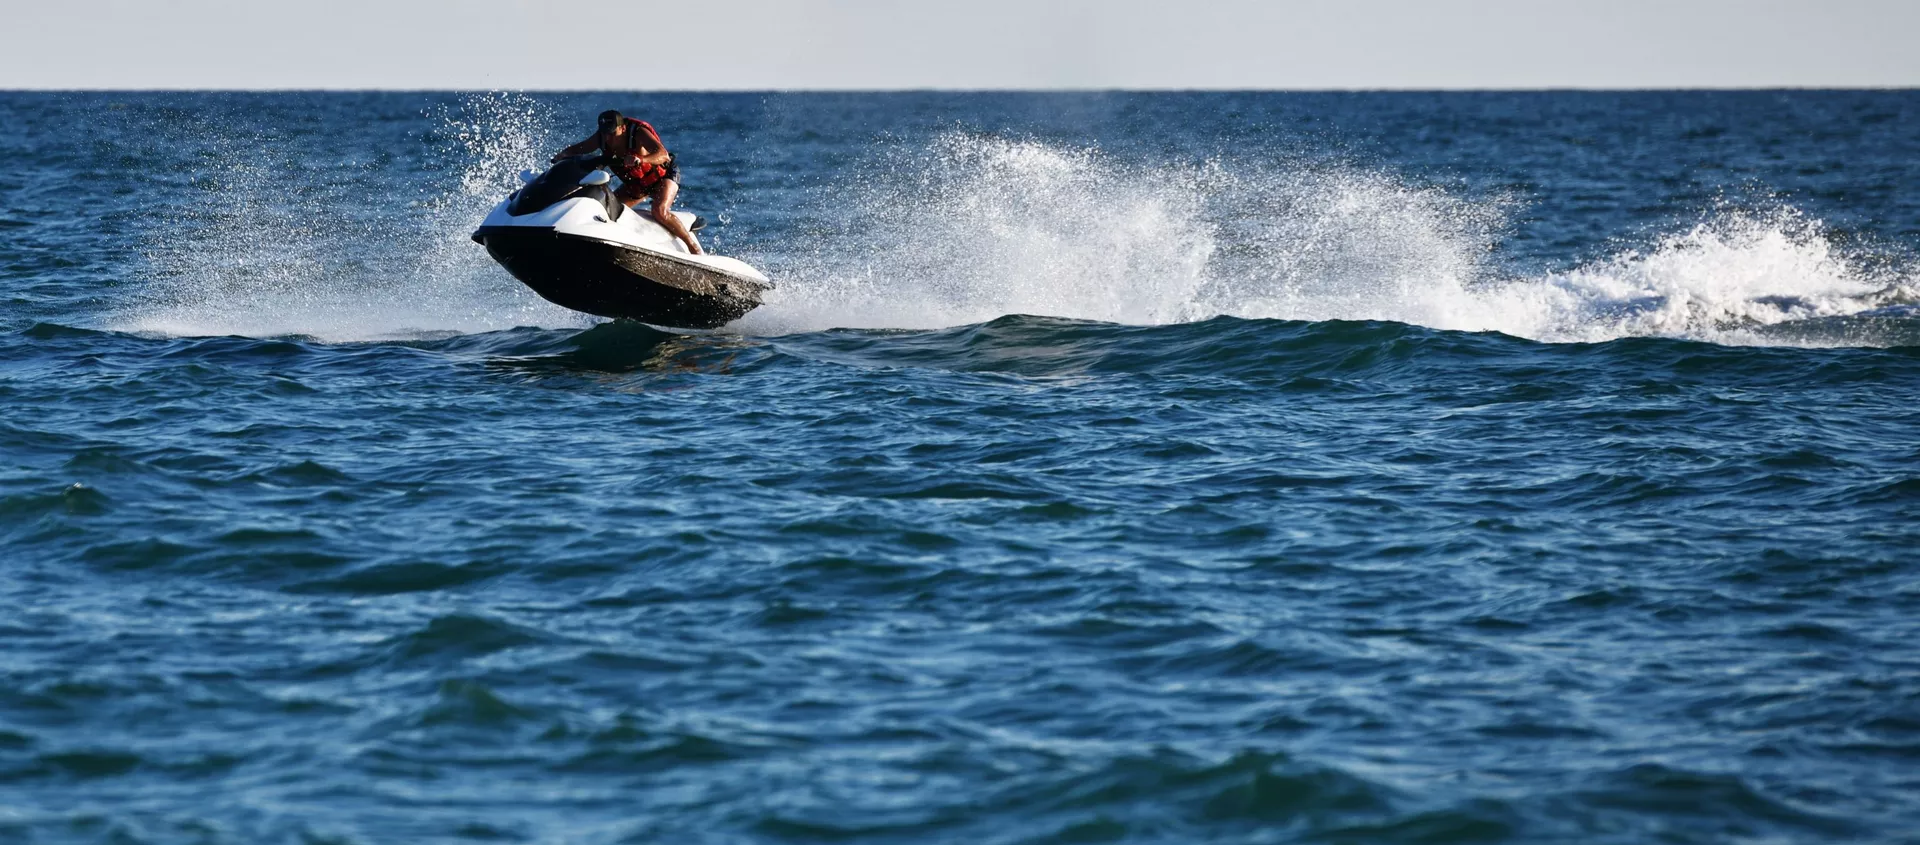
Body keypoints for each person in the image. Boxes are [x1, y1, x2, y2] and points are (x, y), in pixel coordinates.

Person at [551, 110, 702, 254]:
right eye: (605, 133)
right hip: (637, 185)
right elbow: (579, 148)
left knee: (659, 211)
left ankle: (693, 248)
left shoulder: (638, 133)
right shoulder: (601, 137)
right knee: (608, 210)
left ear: (622, 128)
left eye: (612, 133)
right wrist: (563, 155)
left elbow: (663, 155)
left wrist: (641, 159)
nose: (608, 138)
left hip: (663, 177)